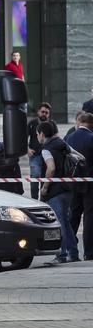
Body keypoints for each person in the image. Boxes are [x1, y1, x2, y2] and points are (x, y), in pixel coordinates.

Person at [39, 121, 80, 264]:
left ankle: (61, 254)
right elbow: (80, 157)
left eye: (38, 134)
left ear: (42, 134)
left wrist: (45, 187)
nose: (38, 137)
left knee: (60, 222)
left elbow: (50, 168)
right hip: (68, 188)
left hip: (54, 191)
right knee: (66, 222)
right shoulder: (63, 144)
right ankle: (73, 253)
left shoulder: (46, 149)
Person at [65, 112, 93, 261]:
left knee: (73, 216)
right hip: (89, 184)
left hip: (72, 183)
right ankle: (89, 252)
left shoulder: (69, 137)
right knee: (89, 217)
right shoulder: (91, 138)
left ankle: (71, 251)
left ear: (80, 122)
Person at [27, 103, 52, 200]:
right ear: (38, 112)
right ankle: (34, 199)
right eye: (42, 112)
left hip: (48, 156)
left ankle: (43, 200)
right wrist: (27, 149)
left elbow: (56, 137)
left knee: (45, 177)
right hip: (35, 155)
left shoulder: (51, 124)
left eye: (46, 112)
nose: (44, 114)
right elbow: (23, 137)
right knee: (35, 176)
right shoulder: (32, 123)